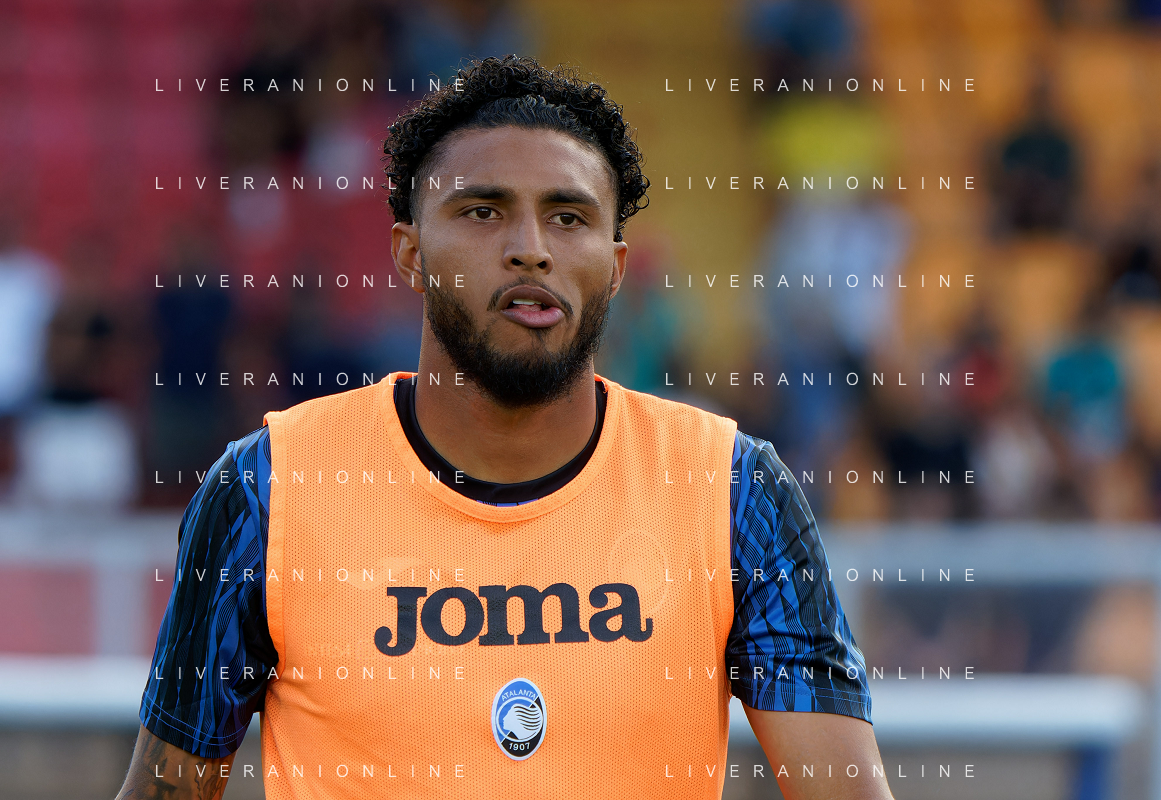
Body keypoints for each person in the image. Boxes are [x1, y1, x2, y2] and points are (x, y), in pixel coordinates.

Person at [117, 55, 891, 799]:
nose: (529, 250)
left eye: (568, 217)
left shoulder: (731, 490)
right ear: (410, 254)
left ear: (615, 268)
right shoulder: (268, 490)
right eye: (482, 212)